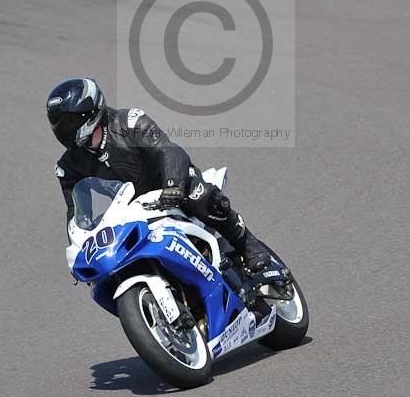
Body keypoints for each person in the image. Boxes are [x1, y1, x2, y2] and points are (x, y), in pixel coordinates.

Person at [47, 78, 272, 272]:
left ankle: (248, 244)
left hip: (170, 186)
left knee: (200, 196)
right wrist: (81, 250)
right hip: (131, 212)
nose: (65, 129)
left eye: (70, 121)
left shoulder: (128, 123)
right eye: (60, 124)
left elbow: (169, 150)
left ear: (91, 112)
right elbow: (76, 214)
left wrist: (173, 185)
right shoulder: (68, 167)